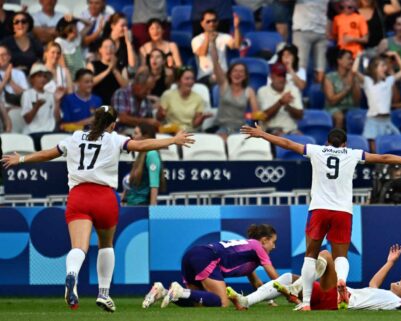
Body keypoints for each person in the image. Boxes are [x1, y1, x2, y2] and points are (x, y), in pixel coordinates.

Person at [1, 105, 195, 312]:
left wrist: (20, 159)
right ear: (112, 124)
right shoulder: (114, 139)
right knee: (106, 244)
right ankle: (103, 293)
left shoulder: (75, 137)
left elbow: (48, 154)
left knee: (78, 247)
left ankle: (72, 274)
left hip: (79, 196)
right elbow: (142, 145)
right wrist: (172, 140)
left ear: (94, 120)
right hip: (104, 197)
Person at [239, 125, 401, 311]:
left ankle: (306, 302)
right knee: (340, 256)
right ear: (345, 144)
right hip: (342, 211)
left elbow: (289, 144)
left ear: (327, 142)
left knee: (311, 255)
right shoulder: (352, 154)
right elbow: (383, 157)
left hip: (319, 209)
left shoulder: (316, 150)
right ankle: (341, 280)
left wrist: (263, 134)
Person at [230, 245, 401, 311]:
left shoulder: (396, 302)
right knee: (290, 276)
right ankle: (247, 301)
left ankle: (297, 290)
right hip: (334, 297)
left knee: (325, 255)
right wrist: (391, 262)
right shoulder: (380, 293)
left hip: (338, 301)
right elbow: (374, 282)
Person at [141, 224, 279, 308]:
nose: (274, 246)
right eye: (273, 242)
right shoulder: (257, 246)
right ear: (264, 240)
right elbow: (275, 278)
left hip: (192, 255)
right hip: (207, 257)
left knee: (198, 301)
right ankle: (179, 291)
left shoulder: (250, 254)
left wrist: (270, 300)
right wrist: (290, 292)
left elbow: (256, 282)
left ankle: (163, 291)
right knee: (222, 303)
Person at [353, 52, 401, 152]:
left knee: (391, 147)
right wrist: (358, 56)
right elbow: (354, 71)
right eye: (382, 66)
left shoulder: (389, 80)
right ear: (374, 68)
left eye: (385, 65)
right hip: (373, 120)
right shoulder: (367, 81)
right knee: (375, 153)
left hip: (387, 121)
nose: (385, 68)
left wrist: (396, 55)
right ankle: (378, 167)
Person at [210, 42, 259, 139]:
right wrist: (213, 43)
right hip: (223, 128)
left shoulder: (249, 91)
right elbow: (215, 62)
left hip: (241, 129)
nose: (238, 74)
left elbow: (256, 113)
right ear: (230, 74)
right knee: (222, 143)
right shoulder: (224, 85)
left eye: (241, 72)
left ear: (245, 76)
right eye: (235, 71)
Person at [191, 9, 241, 88]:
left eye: (214, 21)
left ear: (217, 22)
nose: (211, 24)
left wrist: (236, 27)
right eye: (208, 21)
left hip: (223, 73)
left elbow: (237, 45)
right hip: (205, 75)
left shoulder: (224, 36)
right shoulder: (196, 40)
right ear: (202, 23)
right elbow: (202, 53)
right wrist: (208, 36)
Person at [21, 63, 65, 150]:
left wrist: (57, 101)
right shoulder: (27, 94)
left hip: (49, 132)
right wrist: (36, 106)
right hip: (33, 133)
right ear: (32, 79)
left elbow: (58, 119)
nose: (43, 79)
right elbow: (27, 120)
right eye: (39, 76)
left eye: (45, 76)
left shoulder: (51, 95)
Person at [123, 123, 165, 205]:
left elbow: (154, 185)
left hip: (142, 206)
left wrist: (153, 209)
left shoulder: (152, 154)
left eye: (136, 133)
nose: (133, 136)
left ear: (145, 136)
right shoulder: (141, 154)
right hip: (132, 205)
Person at [258, 62, 303, 136]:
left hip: (291, 131)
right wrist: (280, 102)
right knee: (280, 136)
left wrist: (287, 106)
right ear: (271, 76)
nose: (282, 79)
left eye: (283, 76)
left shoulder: (293, 89)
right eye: (278, 76)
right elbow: (264, 117)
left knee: (303, 139)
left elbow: (300, 115)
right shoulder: (262, 91)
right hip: (270, 131)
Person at [112, 68, 160, 134]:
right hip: (121, 134)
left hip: (141, 135)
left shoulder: (146, 100)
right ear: (138, 86)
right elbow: (122, 118)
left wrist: (158, 117)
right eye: (147, 89)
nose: (148, 93)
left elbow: (151, 120)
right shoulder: (121, 94)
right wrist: (147, 121)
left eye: (150, 89)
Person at [160, 66, 207, 132]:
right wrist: (161, 113)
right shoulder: (167, 95)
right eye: (187, 79)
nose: (190, 81)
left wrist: (202, 118)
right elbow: (159, 118)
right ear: (178, 81)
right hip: (170, 132)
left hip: (190, 133)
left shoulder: (198, 98)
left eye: (192, 79)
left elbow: (195, 125)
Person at [292, 0, 329, 83]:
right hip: (302, 31)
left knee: (321, 69)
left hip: (321, 32)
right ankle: (298, 93)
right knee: (300, 68)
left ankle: (318, 94)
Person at [323, 49, 361, 129]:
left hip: (350, 108)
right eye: (349, 58)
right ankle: (337, 140)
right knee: (339, 117)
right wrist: (346, 90)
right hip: (333, 108)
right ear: (339, 60)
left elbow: (357, 101)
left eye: (352, 59)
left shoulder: (354, 76)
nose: (351, 61)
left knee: (361, 115)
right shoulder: (329, 77)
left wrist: (354, 81)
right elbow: (331, 100)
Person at [87, 38, 128, 105]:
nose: (109, 49)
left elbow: (126, 87)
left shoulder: (121, 66)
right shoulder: (92, 65)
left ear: (115, 49)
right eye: (105, 47)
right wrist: (108, 70)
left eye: (111, 46)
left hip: (117, 104)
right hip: (98, 104)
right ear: (100, 50)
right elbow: (90, 83)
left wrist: (114, 69)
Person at [0, 44, 29, 108]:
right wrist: (5, 80)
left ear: (9, 56)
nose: (1, 57)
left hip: (17, 108)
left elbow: (26, 95)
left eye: (3, 55)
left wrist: (10, 81)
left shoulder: (19, 73)